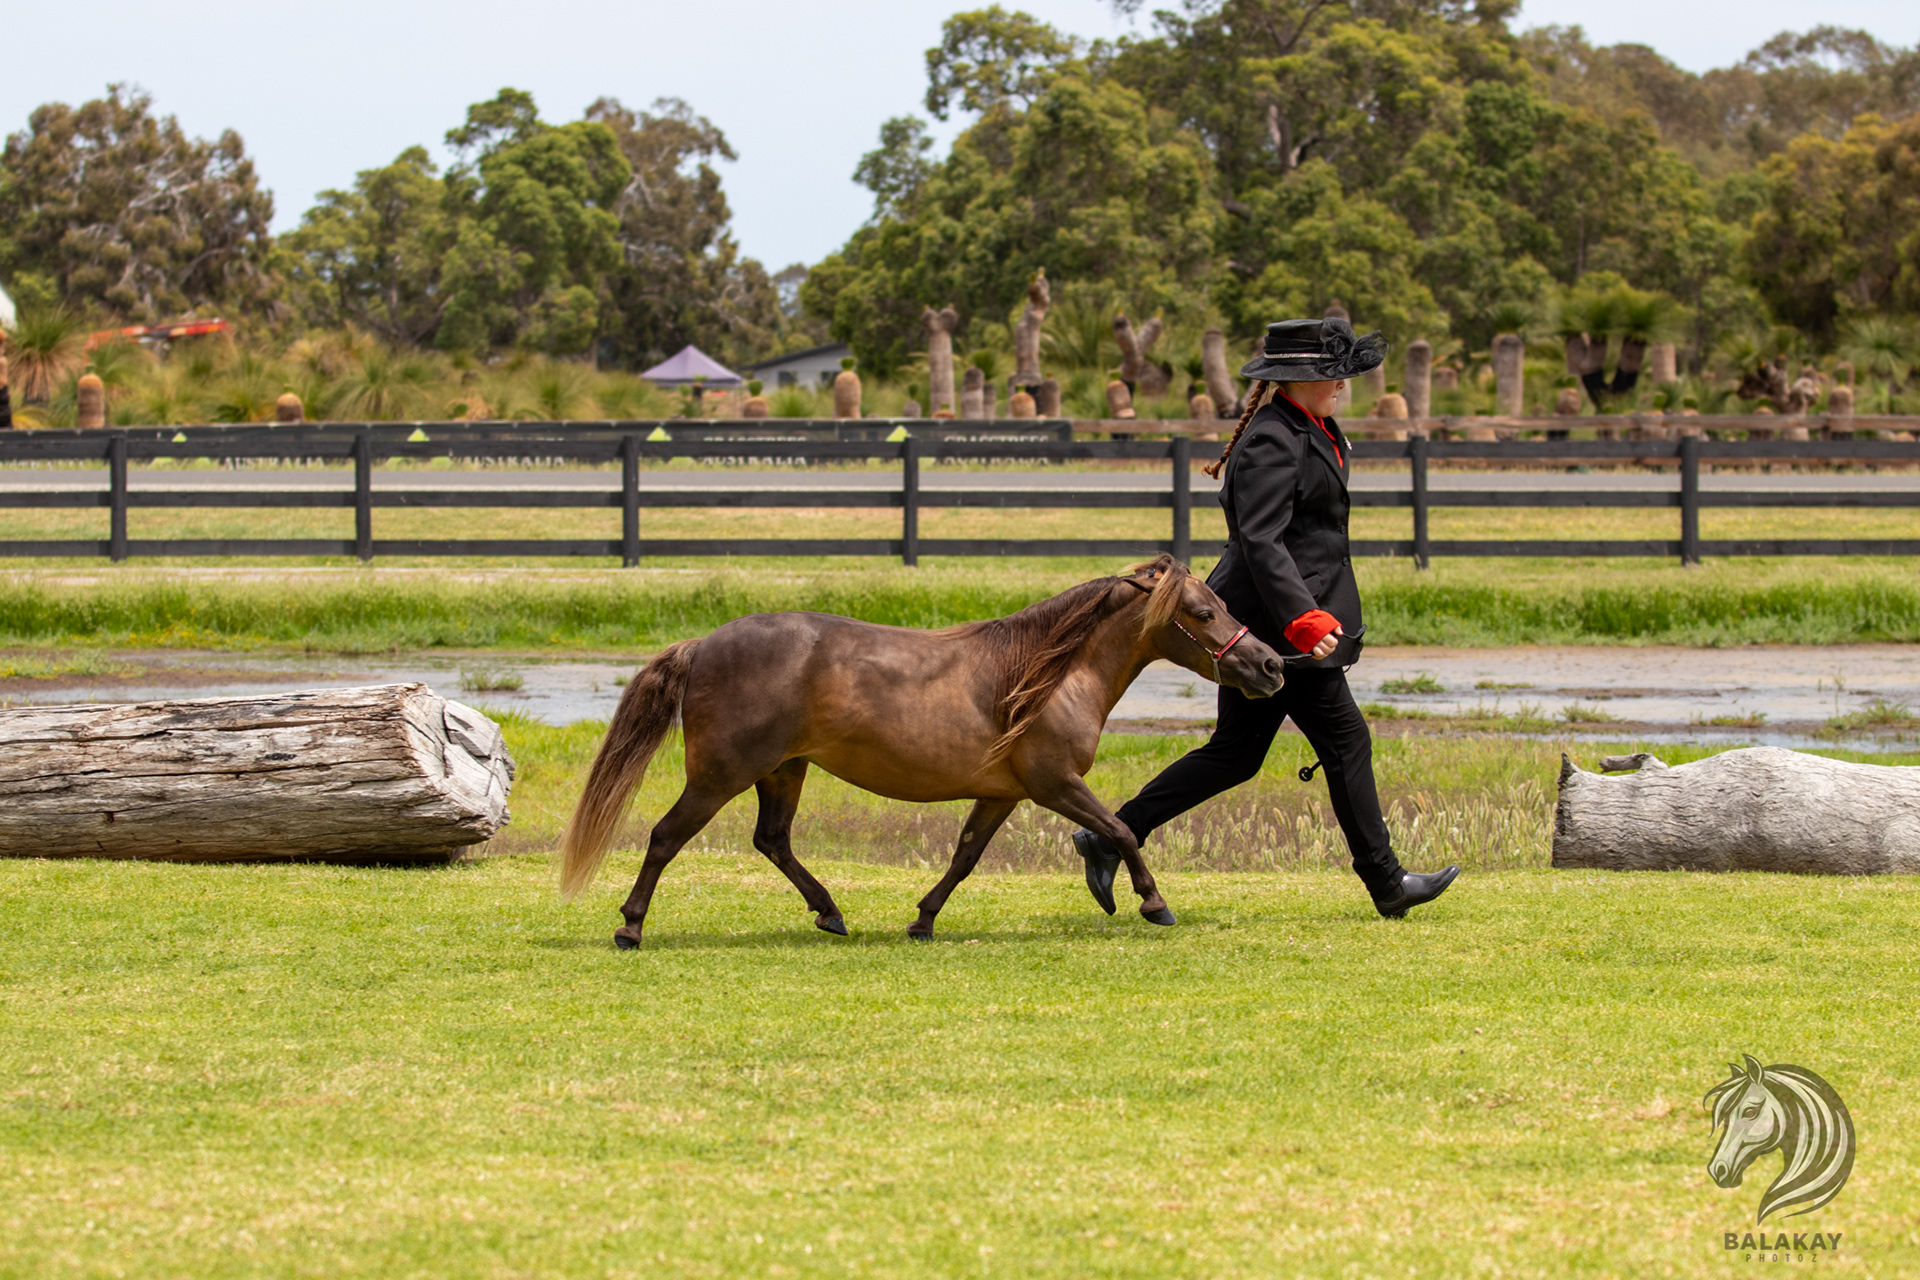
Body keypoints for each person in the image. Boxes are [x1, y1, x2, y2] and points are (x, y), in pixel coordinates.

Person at [1074, 317, 1459, 919]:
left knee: (1236, 752)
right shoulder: (1273, 439)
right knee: (1345, 740)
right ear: (1297, 378)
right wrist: (1304, 618)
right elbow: (1261, 540)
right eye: (1333, 374)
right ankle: (1388, 884)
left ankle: (1109, 835)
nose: (1343, 384)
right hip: (1271, 627)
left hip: (1280, 619)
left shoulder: (1311, 427)